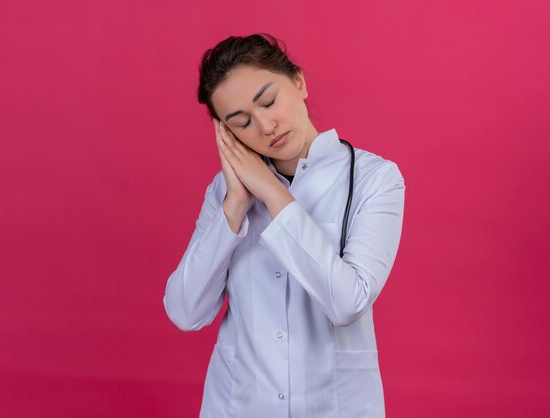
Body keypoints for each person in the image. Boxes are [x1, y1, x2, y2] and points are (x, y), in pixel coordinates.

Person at [163, 33, 405, 418]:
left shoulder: (375, 179)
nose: (265, 125)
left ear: (299, 82)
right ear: (227, 133)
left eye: (268, 100)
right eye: (241, 121)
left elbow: (348, 303)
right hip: (238, 406)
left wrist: (274, 195)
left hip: (335, 407)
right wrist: (236, 206)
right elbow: (184, 311)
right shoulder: (226, 193)